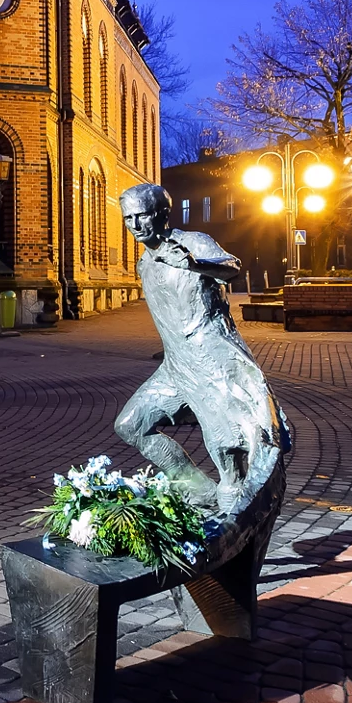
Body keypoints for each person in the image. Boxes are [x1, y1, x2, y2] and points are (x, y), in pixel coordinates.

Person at [115, 182, 291, 515]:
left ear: (162, 214)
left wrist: (194, 263)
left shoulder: (192, 242)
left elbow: (231, 267)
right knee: (131, 425)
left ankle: (236, 526)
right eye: (128, 218)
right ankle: (198, 490)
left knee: (230, 457)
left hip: (214, 364)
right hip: (177, 367)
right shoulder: (144, 263)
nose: (135, 225)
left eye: (143, 216)